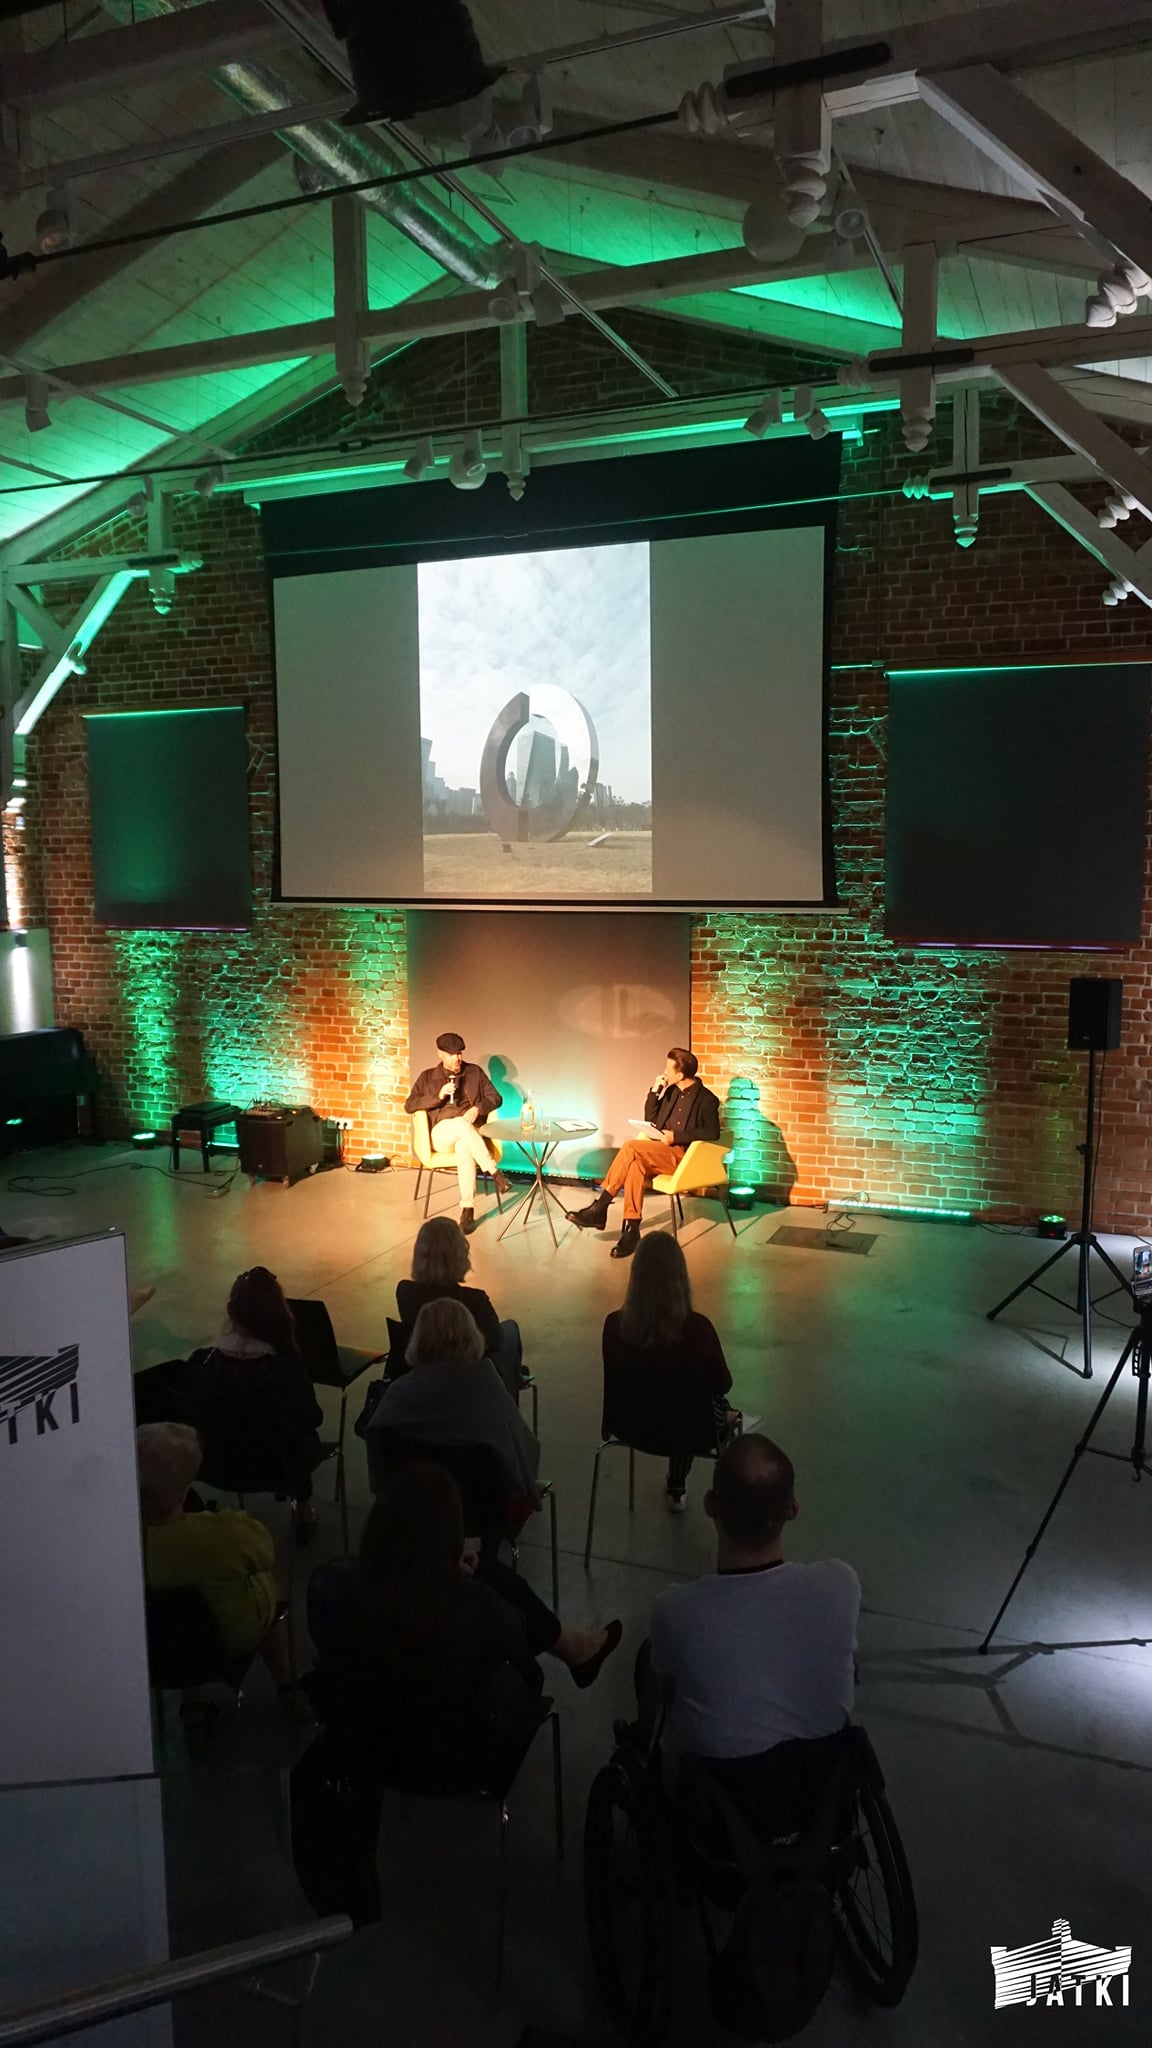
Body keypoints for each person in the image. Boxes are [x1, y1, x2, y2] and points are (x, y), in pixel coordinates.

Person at [307, 1462, 621, 1789]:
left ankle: (574, 1649)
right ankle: (574, 1650)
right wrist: (461, 1585)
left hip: (362, 1745)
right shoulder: (479, 1609)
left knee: (485, 1571)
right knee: (489, 1576)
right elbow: (526, 1659)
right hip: (460, 1761)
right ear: (451, 1536)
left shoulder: (327, 1585)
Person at [645, 1435, 860, 1761]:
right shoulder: (841, 1584)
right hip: (825, 1782)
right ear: (793, 1509)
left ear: (710, 1506)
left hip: (715, 1786)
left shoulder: (674, 1611)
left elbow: (666, 1673)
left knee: (647, 1659)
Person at [137, 1421, 305, 1729]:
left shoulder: (120, 1546)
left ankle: (194, 1705)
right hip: (227, 1639)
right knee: (261, 1592)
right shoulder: (222, 1536)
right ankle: (286, 1685)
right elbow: (265, 1552)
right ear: (185, 1490)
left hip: (150, 1651)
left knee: (178, 1614)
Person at [183, 1268, 325, 1543]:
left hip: (212, 1467)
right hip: (277, 1470)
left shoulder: (201, 1362)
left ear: (231, 1312)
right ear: (280, 1314)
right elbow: (312, 1418)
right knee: (297, 1436)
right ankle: (303, 1511)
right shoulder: (285, 1370)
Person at [602, 1231, 739, 1512]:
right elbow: (722, 1384)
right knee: (695, 1409)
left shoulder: (614, 1325)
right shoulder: (698, 1329)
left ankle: (677, 1483)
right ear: (680, 1277)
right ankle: (679, 1483)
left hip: (629, 1424)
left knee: (673, 1402)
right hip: (691, 1431)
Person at [367, 1297, 539, 1518]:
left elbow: (377, 1446)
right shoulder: (488, 1390)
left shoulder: (398, 1393)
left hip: (414, 1509)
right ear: (472, 1337)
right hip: (486, 1513)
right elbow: (522, 1453)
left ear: (417, 1340)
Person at [570, 1047, 721, 1259]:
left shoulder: (707, 1099)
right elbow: (652, 1119)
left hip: (683, 1157)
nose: (664, 1072)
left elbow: (712, 1131)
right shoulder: (671, 1091)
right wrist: (655, 1092)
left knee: (631, 1147)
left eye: (668, 1069)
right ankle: (631, 1230)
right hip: (658, 1151)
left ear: (680, 1075)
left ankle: (600, 1207)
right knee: (635, 1166)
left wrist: (676, 1136)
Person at [394, 1214, 524, 1397]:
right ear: (460, 1255)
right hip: (472, 1383)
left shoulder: (405, 1292)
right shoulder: (475, 1301)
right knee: (511, 1330)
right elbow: (495, 1342)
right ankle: (508, 1402)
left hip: (424, 1376)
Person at [405, 1030, 510, 1236]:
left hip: (470, 1135)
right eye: (452, 1054)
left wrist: (478, 1108)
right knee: (460, 1125)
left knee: (464, 1144)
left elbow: (496, 1098)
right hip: (442, 1135)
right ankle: (495, 1172)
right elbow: (410, 1105)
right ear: (440, 1054)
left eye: (460, 1053)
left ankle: (467, 1209)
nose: (457, 1058)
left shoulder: (474, 1073)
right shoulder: (427, 1077)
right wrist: (438, 1096)